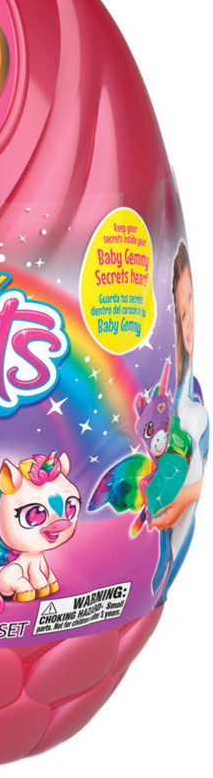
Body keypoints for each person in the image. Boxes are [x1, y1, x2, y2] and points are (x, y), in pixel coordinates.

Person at [150, 241, 208, 597]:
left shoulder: (183, 395)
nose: (188, 326)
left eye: (191, 309)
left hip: (174, 514)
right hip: (164, 511)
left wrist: (185, 498)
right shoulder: (169, 383)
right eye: (181, 314)